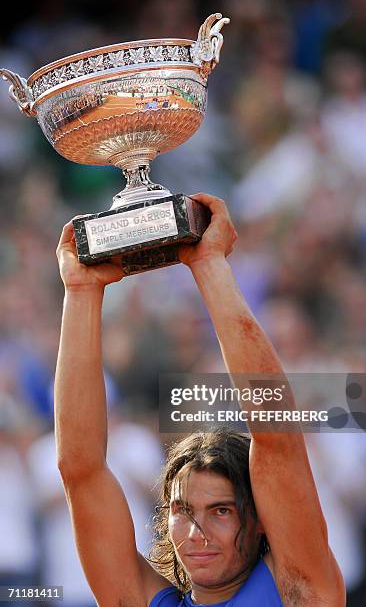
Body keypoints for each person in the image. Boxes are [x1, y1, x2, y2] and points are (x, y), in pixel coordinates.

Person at [55, 193, 345, 606]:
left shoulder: (297, 588)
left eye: (222, 511)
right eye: (182, 510)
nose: (196, 534)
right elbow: (79, 470)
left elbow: (275, 428)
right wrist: (80, 290)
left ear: (260, 520)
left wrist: (209, 264)